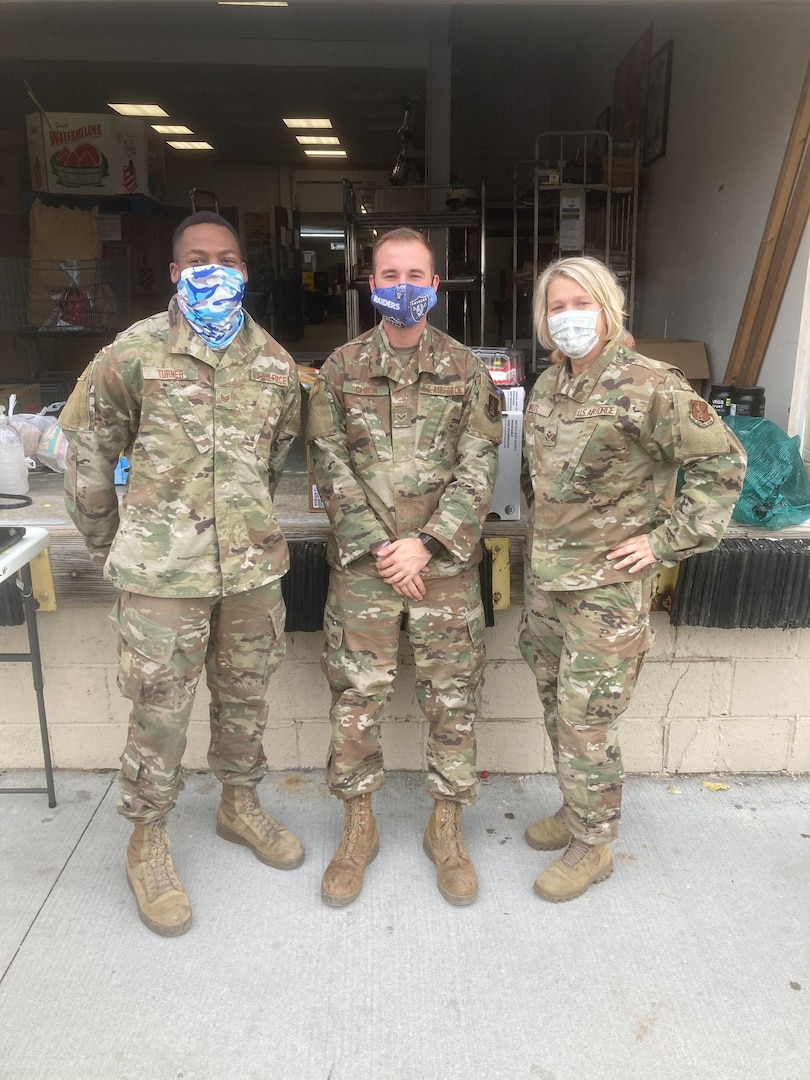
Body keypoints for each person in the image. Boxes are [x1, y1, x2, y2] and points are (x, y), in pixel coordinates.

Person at [61, 211, 304, 937]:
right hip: (162, 578)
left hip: (251, 573)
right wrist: (119, 545)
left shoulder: (274, 364)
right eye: (196, 258)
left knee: (244, 701)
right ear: (173, 272)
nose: (212, 268)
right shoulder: (132, 352)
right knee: (157, 717)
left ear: (245, 271)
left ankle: (239, 804)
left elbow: (273, 459)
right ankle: (147, 841)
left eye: (226, 257)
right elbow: (85, 456)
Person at [519, 256, 746, 903]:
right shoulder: (547, 387)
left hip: (606, 595)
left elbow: (722, 464)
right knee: (558, 707)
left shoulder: (650, 385)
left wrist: (665, 541)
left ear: (609, 307)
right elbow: (539, 483)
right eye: (556, 307)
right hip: (550, 587)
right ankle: (574, 807)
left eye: (580, 303)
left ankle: (594, 845)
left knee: (586, 720)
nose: (568, 318)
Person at [306, 227, 502, 908]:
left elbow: (481, 465)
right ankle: (357, 829)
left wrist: (429, 542)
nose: (404, 287)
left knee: (453, 702)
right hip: (365, 569)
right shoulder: (339, 368)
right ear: (370, 283)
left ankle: (445, 828)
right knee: (356, 702)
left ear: (436, 286)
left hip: (442, 570)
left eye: (416, 275)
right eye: (391, 274)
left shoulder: (467, 370)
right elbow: (327, 466)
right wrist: (381, 545)